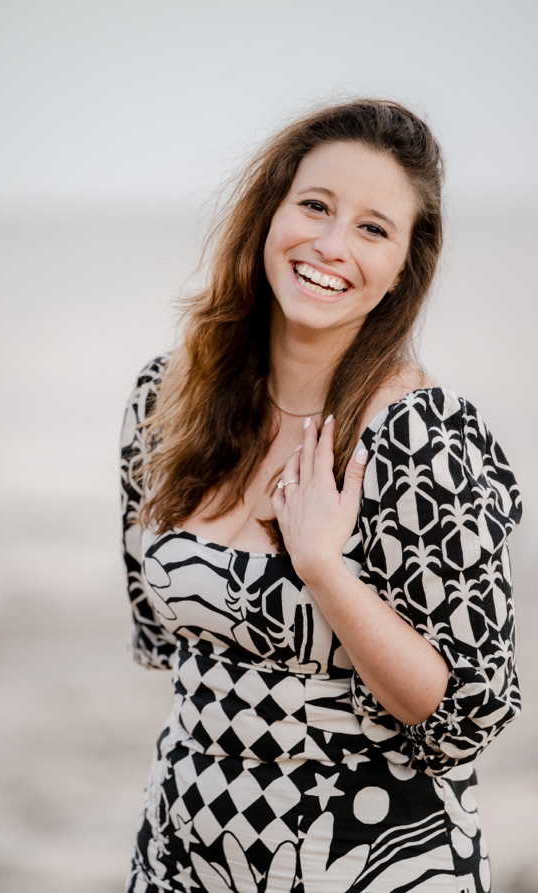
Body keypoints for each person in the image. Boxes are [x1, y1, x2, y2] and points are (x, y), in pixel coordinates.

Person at [120, 99, 521, 892]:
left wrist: (322, 566)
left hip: (366, 865)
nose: (332, 245)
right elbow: (165, 642)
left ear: (405, 264)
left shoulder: (418, 436)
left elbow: (464, 712)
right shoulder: (167, 400)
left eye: (374, 228)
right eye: (316, 205)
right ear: (270, 212)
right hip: (180, 855)